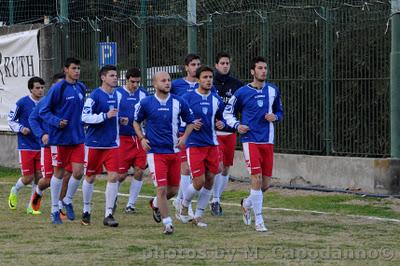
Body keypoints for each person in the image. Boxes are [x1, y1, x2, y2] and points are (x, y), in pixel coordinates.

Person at [133, 71, 200, 234]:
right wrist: (142, 138)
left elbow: (191, 122)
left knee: (173, 191)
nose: (167, 83)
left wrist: (184, 137)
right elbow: (136, 121)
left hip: (174, 151)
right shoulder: (146, 102)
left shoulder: (179, 101)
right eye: (163, 80)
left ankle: (155, 204)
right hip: (155, 153)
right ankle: (168, 223)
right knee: (162, 189)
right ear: (155, 84)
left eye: (169, 80)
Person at [223, 56, 284, 232]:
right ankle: (259, 221)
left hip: (268, 140)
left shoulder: (273, 90)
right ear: (252, 71)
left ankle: (246, 203)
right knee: (255, 179)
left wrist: (276, 117)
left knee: (265, 185)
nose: (263, 71)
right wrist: (237, 125)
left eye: (265, 68)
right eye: (259, 68)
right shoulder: (242, 92)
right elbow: (228, 112)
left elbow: (280, 111)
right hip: (250, 141)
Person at [39, 57, 87, 224]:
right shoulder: (58, 88)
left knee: (79, 172)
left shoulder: (81, 87)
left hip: (78, 138)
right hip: (60, 140)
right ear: (66, 69)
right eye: (74, 68)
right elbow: (43, 111)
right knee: (58, 173)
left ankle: (67, 200)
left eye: (79, 68)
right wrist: (57, 122)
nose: (77, 71)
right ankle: (54, 209)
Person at [177, 66, 225, 227]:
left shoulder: (216, 99)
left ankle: (198, 216)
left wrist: (221, 123)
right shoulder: (187, 98)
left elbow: (221, 119)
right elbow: (178, 119)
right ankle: (183, 206)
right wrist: (190, 124)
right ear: (198, 80)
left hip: (212, 144)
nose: (208, 80)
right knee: (198, 181)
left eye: (210, 77)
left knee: (210, 179)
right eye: (205, 77)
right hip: (194, 144)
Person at [81, 65, 122, 227]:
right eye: (112, 75)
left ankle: (109, 214)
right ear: (103, 78)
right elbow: (84, 117)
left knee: (114, 177)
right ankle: (86, 210)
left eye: (116, 75)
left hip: (112, 144)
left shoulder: (118, 95)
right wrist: (104, 116)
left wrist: (121, 120)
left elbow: (116, 117)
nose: (115, 78)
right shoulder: (94, 96)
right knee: (90, 177)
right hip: (95, 144)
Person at [29, 73, 72, 218]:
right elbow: (33, 119)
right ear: (53, 87)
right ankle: (38, 192)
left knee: (66, 174)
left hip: (67, 144)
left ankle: (59, 206)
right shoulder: (45, 102)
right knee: (48, 180)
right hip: (49, 146)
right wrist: (42, 134)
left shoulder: (70, 101)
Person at [211, 52, 243, 216]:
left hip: (229, 133)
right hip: (213, 132)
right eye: (222, 63)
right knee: (217, 166)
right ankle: (208, 198)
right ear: (216, 65)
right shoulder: (209, 82)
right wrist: (214, 121)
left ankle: (216, 199)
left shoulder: (237, 85)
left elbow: (240, 107)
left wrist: (234, 123)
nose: (225, 65)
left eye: (227, 63)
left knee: (226, 168)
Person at [7, 77, 45, 215]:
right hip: (26, 145)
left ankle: (32, 206)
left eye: (42, 87)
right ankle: (14, 190)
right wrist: (21, 128)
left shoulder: (46, 102)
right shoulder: (22, 103)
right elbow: (10, 119)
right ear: (31, 89)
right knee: (28, 178)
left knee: (39, 177)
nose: (40, 90)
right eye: (37, 88)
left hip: (41, 145)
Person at [171, 54, 201, 218]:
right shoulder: (176, 85)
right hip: (182, 131)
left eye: (198, 64)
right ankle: (185, 206)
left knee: (204, 172)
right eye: (193, 64)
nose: (196, 67)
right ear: (186, 67)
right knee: (185, 168)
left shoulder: (204, 83)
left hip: (200, 134)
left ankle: (180, 199)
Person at [115, 68, 148, 214]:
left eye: (137, 82)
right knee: (121, 174)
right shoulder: (117, 94)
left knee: (139, 170)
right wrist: (118, 120)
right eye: (132, 82)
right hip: (122, 138)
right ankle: (112, 196)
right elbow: (110, 112)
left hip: (139, 138)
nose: (135, 85)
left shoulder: (143, 94)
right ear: (126, 80)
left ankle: (131, 204)